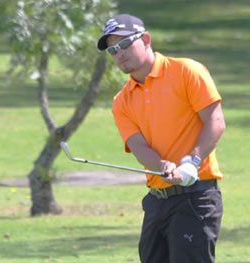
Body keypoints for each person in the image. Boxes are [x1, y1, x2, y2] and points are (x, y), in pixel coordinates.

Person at [97, 14, 226, 263]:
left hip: (196, 198)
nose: (119, 54)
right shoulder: (122, 101)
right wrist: (162, 166)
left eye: (124, 44)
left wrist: (193, 161)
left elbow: (216, 122)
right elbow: (138, 146)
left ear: (145, 39)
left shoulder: (186, 71)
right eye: (113, 50)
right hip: (157, 202)